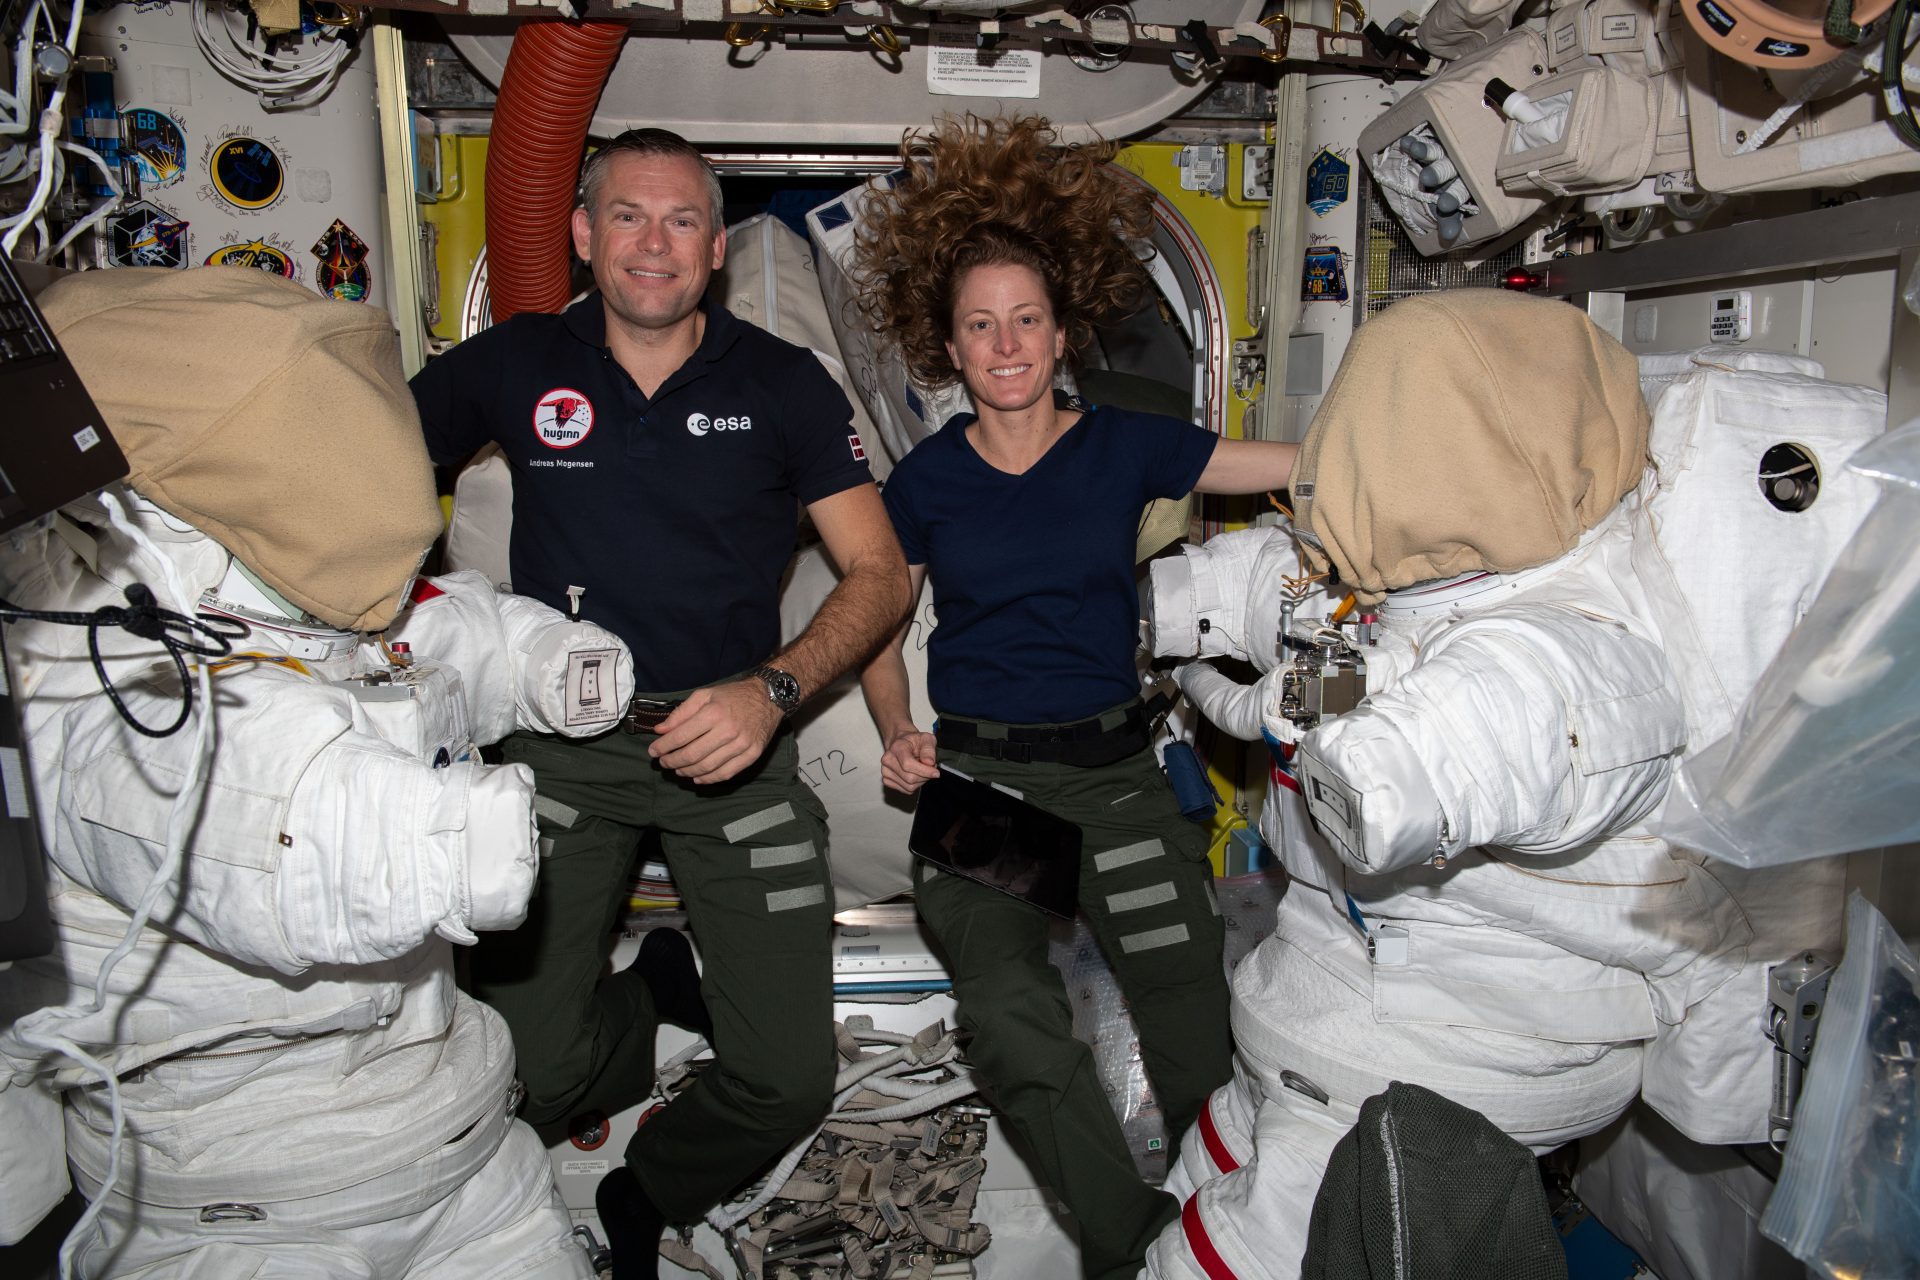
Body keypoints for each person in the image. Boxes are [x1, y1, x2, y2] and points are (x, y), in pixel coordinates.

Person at [1141, 288, 1841, 1279]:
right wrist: (1150, 609)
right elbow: (1282, 589)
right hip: (1332, 1008)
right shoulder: (1401, 591)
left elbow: (1503, 726)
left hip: (1438, 1058)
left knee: (1224, 1255)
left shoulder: (1568, 642)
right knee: (1205, 1171)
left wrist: (1383, 771)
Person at [0, 265, 631, 1277]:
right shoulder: (104, 697)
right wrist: (421, 840)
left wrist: (545, 661)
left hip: (461, 1151)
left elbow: (438, 636)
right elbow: (249, 813)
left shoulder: (320, 615)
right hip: (255, 1211)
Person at [407, 128, 911, 1277]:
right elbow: (374, 478)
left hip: (734, 736)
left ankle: (649, 1190)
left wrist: (772, 691)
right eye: (627, 215)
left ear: (716, 246)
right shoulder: (515, 362)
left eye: (682, 219)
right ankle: (646, 1005)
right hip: (559, 740)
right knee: (519, 1077)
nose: (654, 243)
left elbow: (878, 574)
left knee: (788, 1079)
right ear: (583, 235)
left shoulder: (781, 382)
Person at [851, 115, 1297, 1280]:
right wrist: (898, 727)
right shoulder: (931, 477)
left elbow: (1271, 462)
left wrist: (1383, 455)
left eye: (1026, 319)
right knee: (1008, 1020)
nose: (1006, 343)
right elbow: (876, 614)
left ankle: (1230, 1228)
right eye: (979, 323)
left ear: (1061, 331)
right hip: (990, 795)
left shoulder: (1122, 448)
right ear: (946, 343)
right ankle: (1133, 1246)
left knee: (1197, 1022)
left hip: (1114, 784)